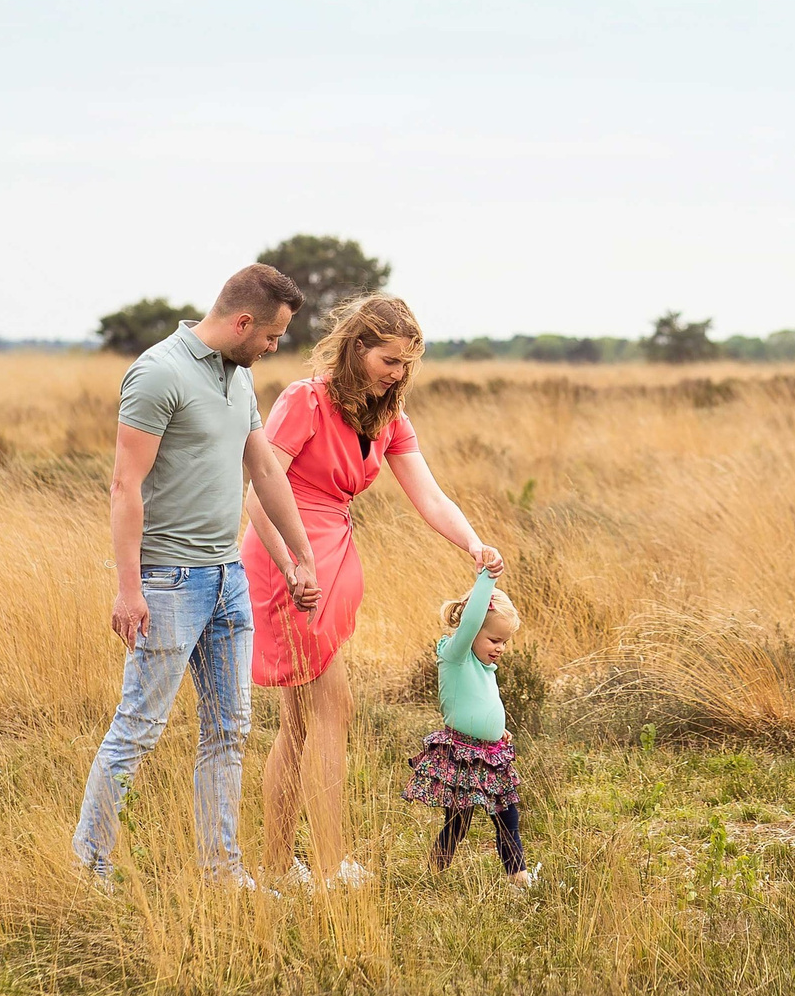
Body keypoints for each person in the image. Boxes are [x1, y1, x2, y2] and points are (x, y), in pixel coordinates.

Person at [71, 264, 320, 888]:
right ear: (243, 322)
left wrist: (299, 558)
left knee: (230, 729)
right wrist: (129, 590)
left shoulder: (239, 379)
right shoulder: (159, 373)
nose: (274, 347)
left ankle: (221, 872)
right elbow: (125, 485)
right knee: (140, 727)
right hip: (168, 582)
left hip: (228, 578)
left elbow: (264, 471)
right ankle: (88, 867)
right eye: (273, 335)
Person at [241, 292, 500, 888]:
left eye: (408, 363)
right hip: (290, 563)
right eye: (389, 359)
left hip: (334, 556)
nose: (398, 374)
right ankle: (332, 868)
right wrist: (294, 566)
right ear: (357, 349)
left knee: (300, 723)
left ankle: (277, 868)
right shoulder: (304, 401)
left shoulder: (388, 418)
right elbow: (257, 497)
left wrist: (473, 544)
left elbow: (429, 496)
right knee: (331, 708)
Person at [404, 570, 532, 885]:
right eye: (494, 639)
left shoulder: (484, 664)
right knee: (458, 824)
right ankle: (436, 873)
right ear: (471, 630)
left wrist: (496, 729)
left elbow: (481, 701)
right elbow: (474, 619)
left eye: (505, 642)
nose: (500, 647)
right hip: (463, 755)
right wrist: (487, 576)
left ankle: (520, 881)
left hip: (492, 754)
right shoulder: (456, 655)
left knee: (508, 820)